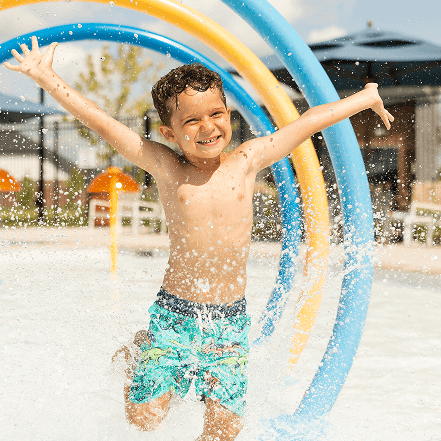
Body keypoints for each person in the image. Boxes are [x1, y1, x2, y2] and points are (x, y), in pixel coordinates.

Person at [4, 37, 393, 441]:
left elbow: (308, 122)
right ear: (169, 133)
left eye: (216, 113)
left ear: (229, 114)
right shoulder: (166, 166)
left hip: (229, 322)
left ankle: (154, 358)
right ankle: (140, 349)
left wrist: (364, 97)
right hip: (176, 315)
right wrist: (46, 77)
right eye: (191, 121)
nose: (208, 127)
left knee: (224, 431)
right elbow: (102, 124)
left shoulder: (247, 161)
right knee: (145, 419)